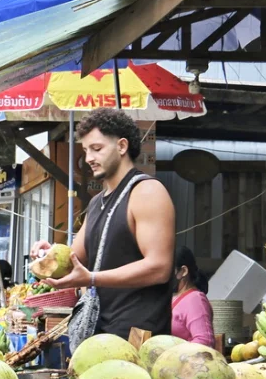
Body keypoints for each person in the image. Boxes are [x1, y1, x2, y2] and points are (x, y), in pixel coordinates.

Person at [31, 108, 175, 340]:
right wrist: (48, 256)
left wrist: (93, 278)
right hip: (98, 334)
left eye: (97, 149)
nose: (88, 158)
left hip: (138, 337)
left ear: (121, 147)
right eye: (86, 150)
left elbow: (159, 268)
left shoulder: (147, 192)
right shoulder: (97, 202)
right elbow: (74, 261)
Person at [171, 245, 215, 348]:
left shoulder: (195, 300)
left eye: (167, 268)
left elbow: (205, 341)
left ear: (183, 271)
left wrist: (175, 355)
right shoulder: (174, 297)